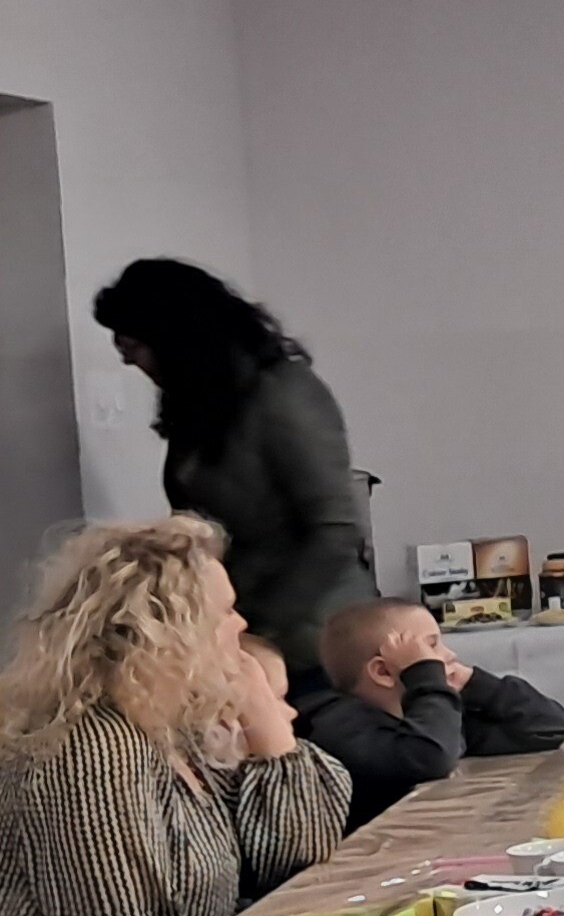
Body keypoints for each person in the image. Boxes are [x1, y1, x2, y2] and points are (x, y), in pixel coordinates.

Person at [0, 516, 351, 916]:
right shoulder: (92, 748)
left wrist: (265, 717)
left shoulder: (167, 732)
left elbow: (296, 851)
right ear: (168, 629)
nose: (241, 626)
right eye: (225, 611)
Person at [90, 260, 374, 678]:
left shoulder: (282, 394)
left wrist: (257, 628)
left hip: (313, 641)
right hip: (248, 630)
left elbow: (335, 530)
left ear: (177, 338)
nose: (130, 361)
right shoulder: (207, 402)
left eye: (134, 346)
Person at [296, 594, 564, 828]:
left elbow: (546, 728)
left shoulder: (430, 712)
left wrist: (473, 682)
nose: (449, 654)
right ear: (383, 671)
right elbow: (429, 759)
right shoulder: (340, 726)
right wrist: (426, 677)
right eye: (429, 647)